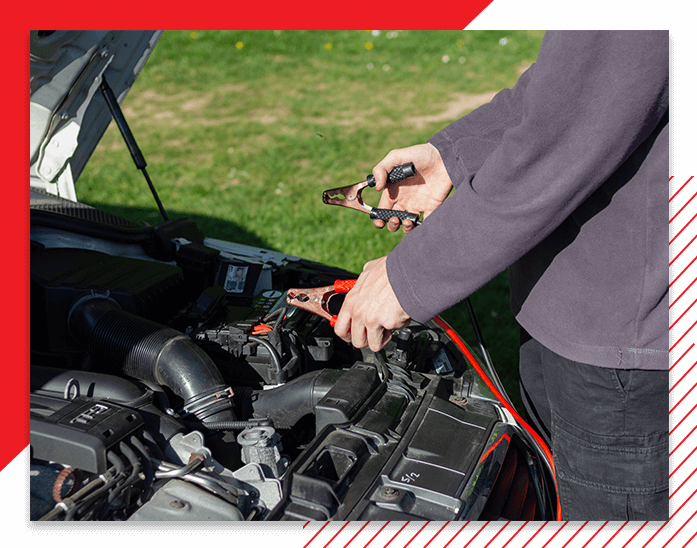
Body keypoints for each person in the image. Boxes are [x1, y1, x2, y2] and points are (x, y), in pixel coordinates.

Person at [332, 30, 669, 521]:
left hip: (625, 349)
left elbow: (557, 147)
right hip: (572, 314)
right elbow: (567, 87)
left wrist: (407, 277)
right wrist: (454, 154)